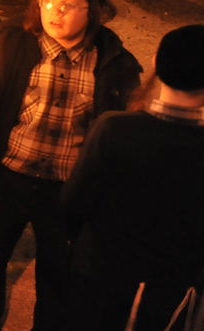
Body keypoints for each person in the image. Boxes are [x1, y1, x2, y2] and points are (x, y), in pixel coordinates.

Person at [0, 0, 143, 330]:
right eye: (47, 1)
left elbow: (121, 137)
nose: (53, 13)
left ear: (94, 9)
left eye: (68, 5)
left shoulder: (115, 66)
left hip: (65, 190)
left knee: (59, 278)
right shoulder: (9, 44)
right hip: (8, 175)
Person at [62, 24, 204, 330]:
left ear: (155, 62)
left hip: (101, 275)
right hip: (170, 291)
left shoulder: (115, 129)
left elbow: (74, 203)